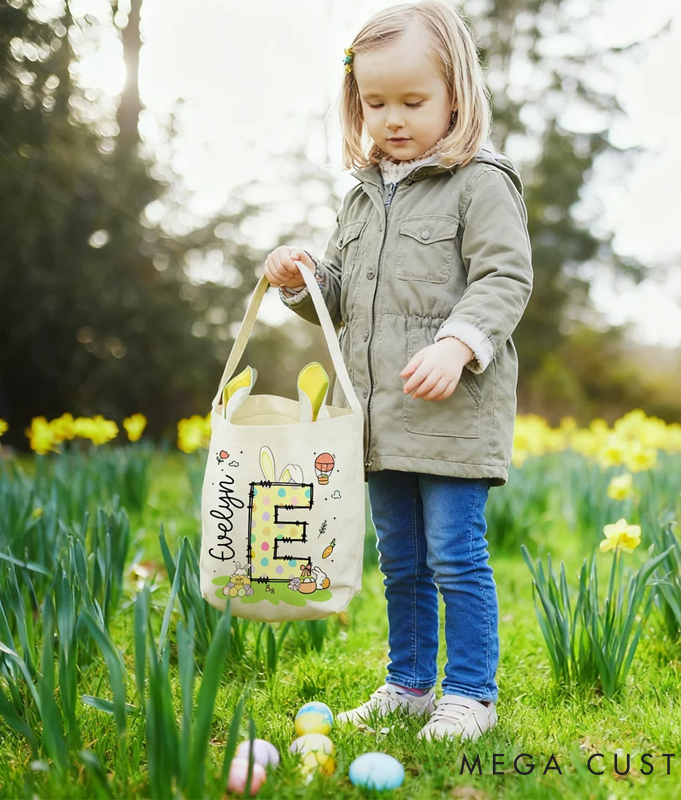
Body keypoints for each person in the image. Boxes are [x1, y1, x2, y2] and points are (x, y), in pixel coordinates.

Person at [263, 0, 532, 741]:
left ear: (456, 95)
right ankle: (410, 685)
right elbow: (339, 297)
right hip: (378, 419)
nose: (393, 119)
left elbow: (505, 278)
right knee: (402, 560)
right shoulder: (360, 198)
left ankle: (471, 694)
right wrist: (300, 278)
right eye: (375, 102)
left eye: (413, 101)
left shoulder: (480, 182)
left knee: (454, 555)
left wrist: (458, 344)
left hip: (452, 416)